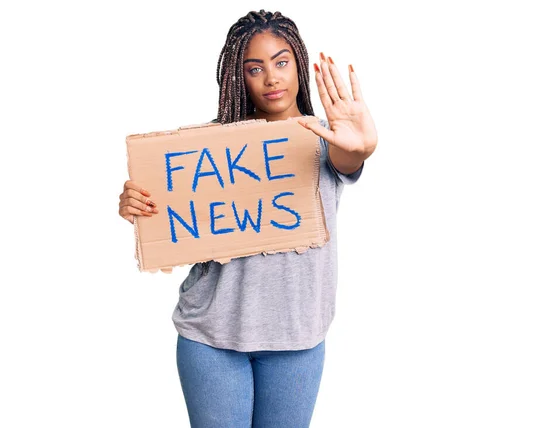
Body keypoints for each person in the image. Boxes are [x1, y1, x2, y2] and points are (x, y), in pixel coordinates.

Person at [118, 9, 377, 428]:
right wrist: (136, 204)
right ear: (239, 78)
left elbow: (349, 157)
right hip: (211, 337)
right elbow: (168, 210)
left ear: (298, 64)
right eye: (254, 68)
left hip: (297, 338)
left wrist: (361, 148)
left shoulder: (328, 139)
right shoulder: (208, 147)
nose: (271, 78)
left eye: (281, 62)